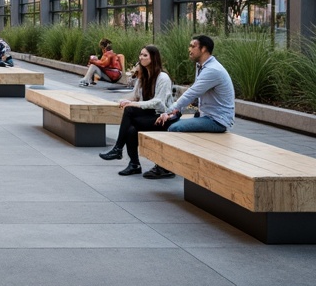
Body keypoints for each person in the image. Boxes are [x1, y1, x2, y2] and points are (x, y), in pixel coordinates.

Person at [145, 34, 236, 180]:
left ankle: (166, 168)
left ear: (204, 49)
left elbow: (191, 93)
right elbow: (194, 96)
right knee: (170, 121)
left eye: (193, 46)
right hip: (204, 114)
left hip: (217, 120)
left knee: (175, 128)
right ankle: (165, 165)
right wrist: (175, 111)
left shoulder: (213, 70)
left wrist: (168, 111)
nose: (189, 49)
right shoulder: (201, 66)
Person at [99, 45, 173, 176]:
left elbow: (159, 102)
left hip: (162, 116)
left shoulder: (163, 78)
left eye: (145, 55)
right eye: (141, 55)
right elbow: (135, 96)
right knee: (131, 129)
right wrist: (121, 101)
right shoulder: (143, 76)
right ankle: (133, 164)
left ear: (153, 58)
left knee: (130, 112)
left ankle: (118, 149)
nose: (141, 58)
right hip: (149, 114)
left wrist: (133, 104)